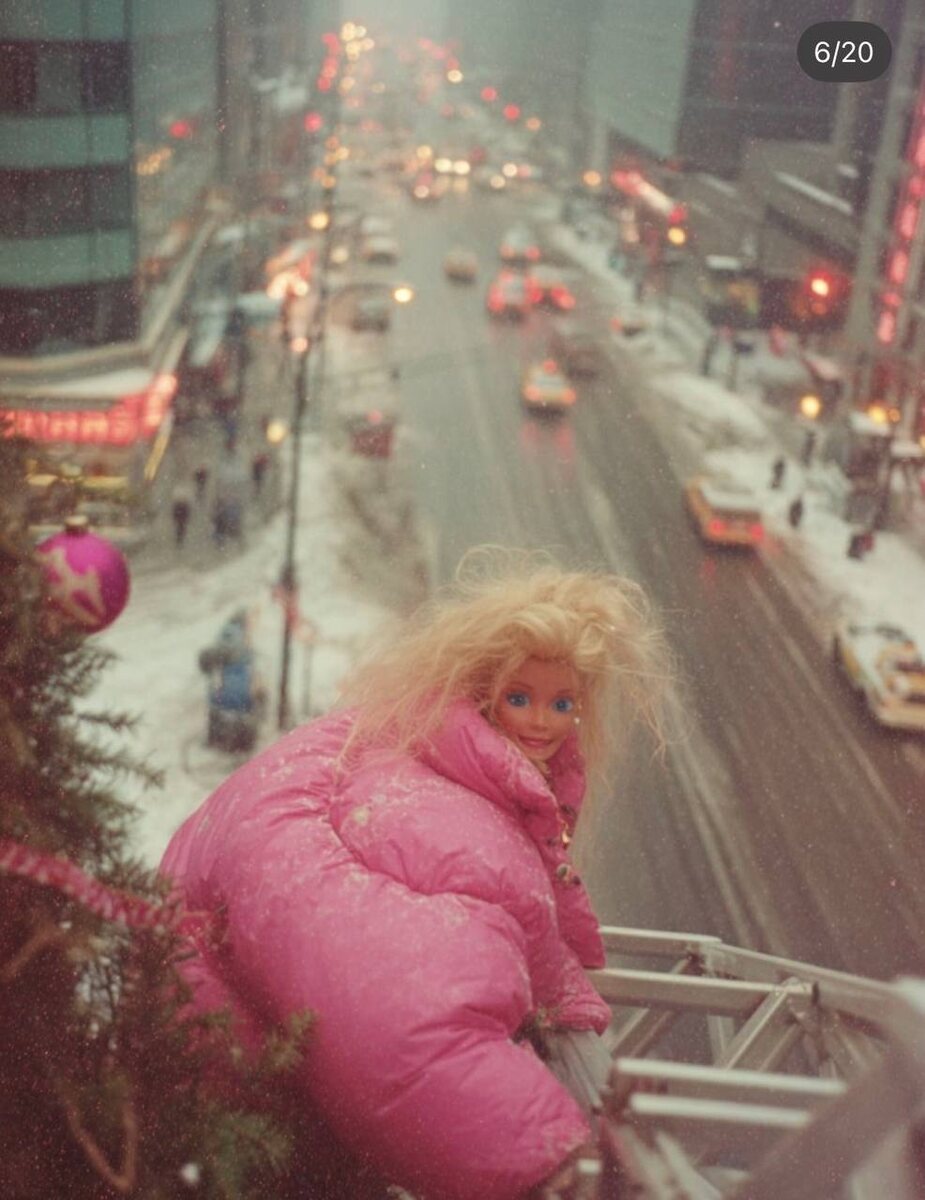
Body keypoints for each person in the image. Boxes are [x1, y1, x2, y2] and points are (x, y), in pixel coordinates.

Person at [159, 548, 670, 1200]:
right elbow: (411, 1037)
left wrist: (553, 983)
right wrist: (553, 1160)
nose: (542, 722)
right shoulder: (456, 823)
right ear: (483, 695)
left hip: (194, 1031)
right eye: (520, 698)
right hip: (227, 1103)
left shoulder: (404, 738)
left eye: (561, 703)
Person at [170, 480, 193, 547]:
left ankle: (179, 539)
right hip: (181, 514)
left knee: (181, 527)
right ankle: (179, 539)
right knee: (180, 527)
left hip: (182, 514)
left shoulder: (182, 504)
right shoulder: (181, 504)